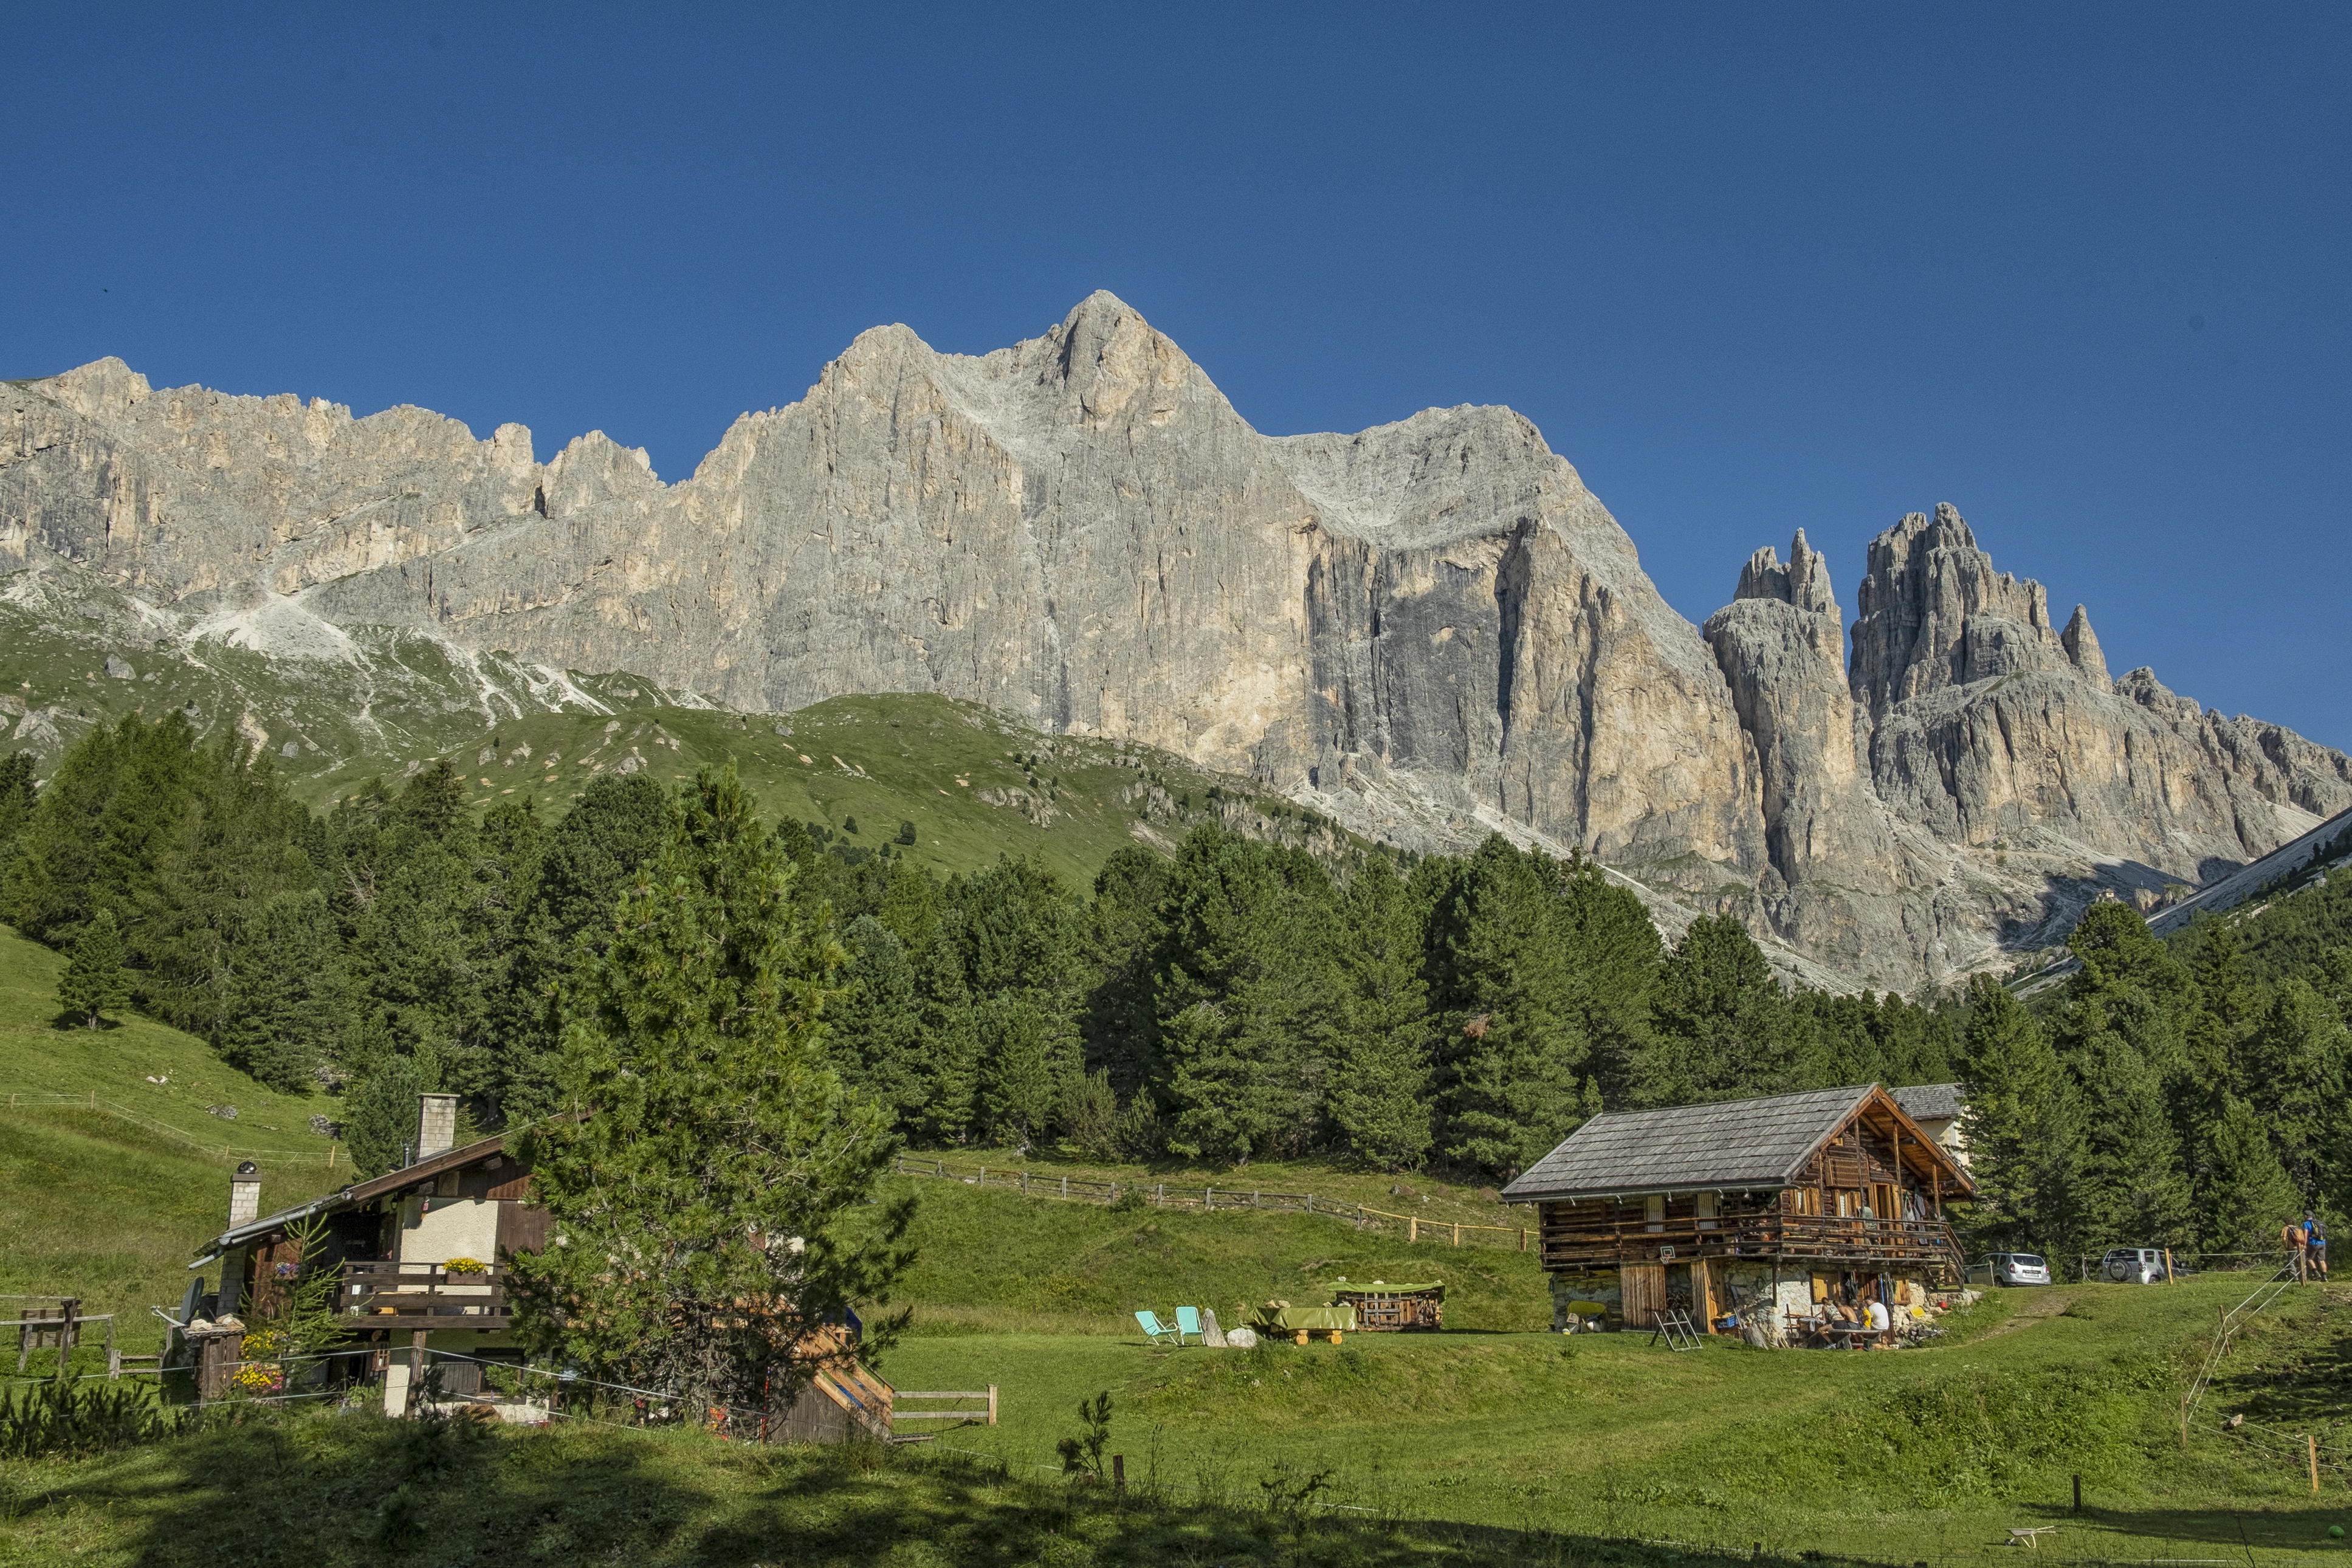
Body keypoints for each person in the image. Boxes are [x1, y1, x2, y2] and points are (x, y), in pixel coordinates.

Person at [2283, 1217, 2309, 1282]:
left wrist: (2285, 1246)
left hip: (2292, 1247)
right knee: (2302, 1262)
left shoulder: (2286, 1228)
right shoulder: (2298, 1228)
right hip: (2301, 1247)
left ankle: (2295, 1277)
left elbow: (2284, 1239)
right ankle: (2304, 1277)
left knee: (2291, 1261)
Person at [2307, 1215, 2330, 1283]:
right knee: (2322, 1260)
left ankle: (2316, 1273)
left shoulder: (2307, 1223)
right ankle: (2324, 1277)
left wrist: (2305, 1242)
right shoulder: (2320, 1222)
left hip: (2313, 1243)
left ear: (2306, 1216)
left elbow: (2306, 1233)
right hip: (2323, 1243)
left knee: (2309, 1258)